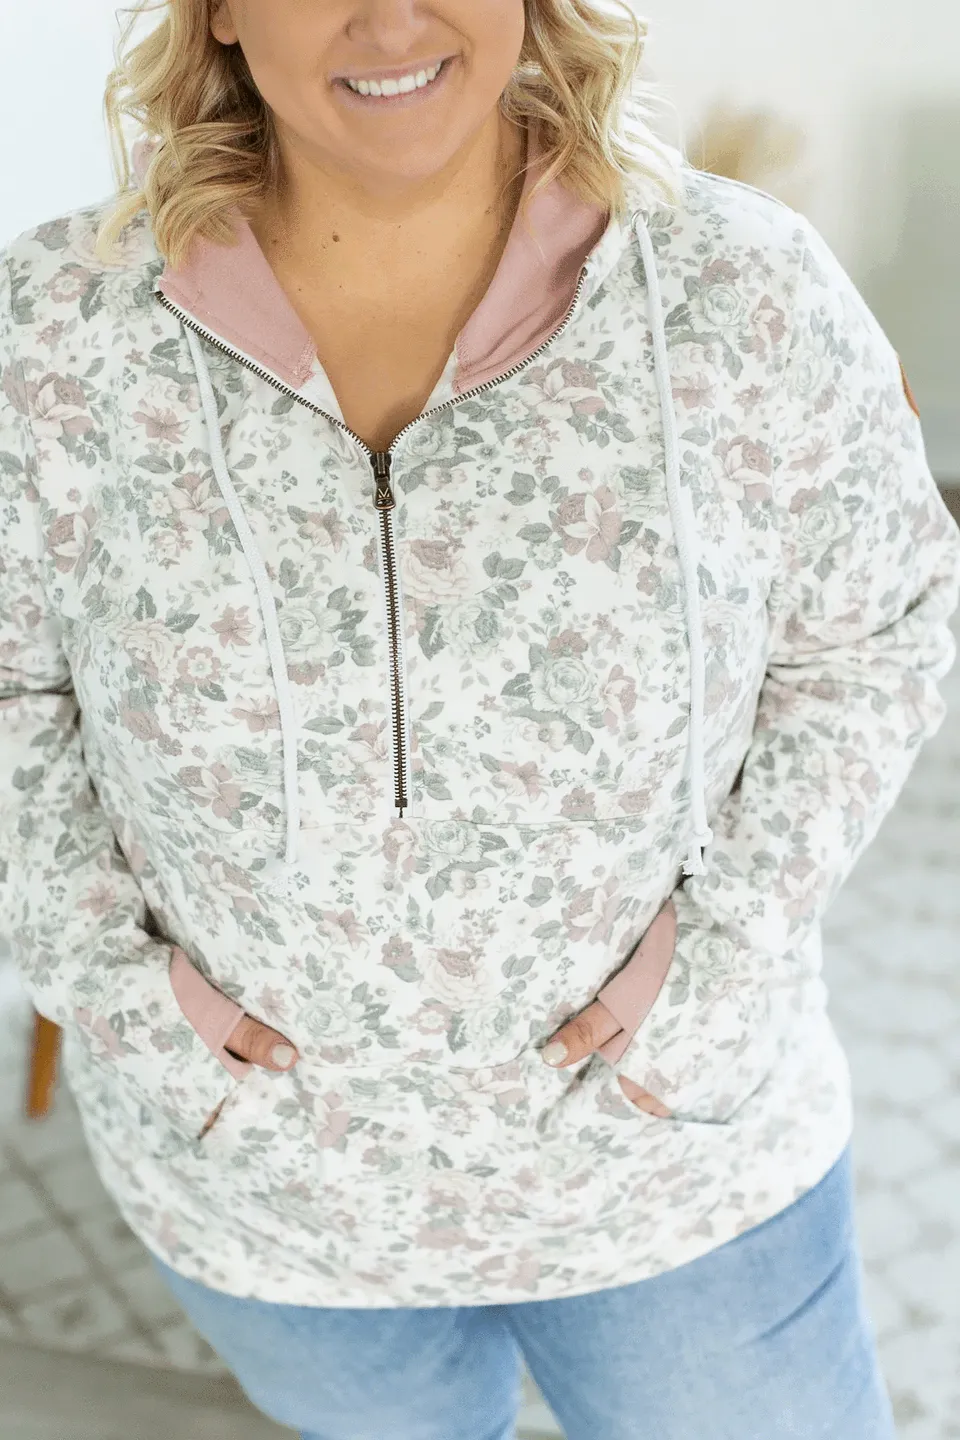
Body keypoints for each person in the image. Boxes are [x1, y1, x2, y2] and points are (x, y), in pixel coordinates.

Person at [2, 1, 958, 1436]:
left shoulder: (740, 288)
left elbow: (877, 627)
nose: (388, 15)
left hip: (675, 1179)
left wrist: (716, 968)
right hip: (274, 1204)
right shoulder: (52, 332)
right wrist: (129, 1005)